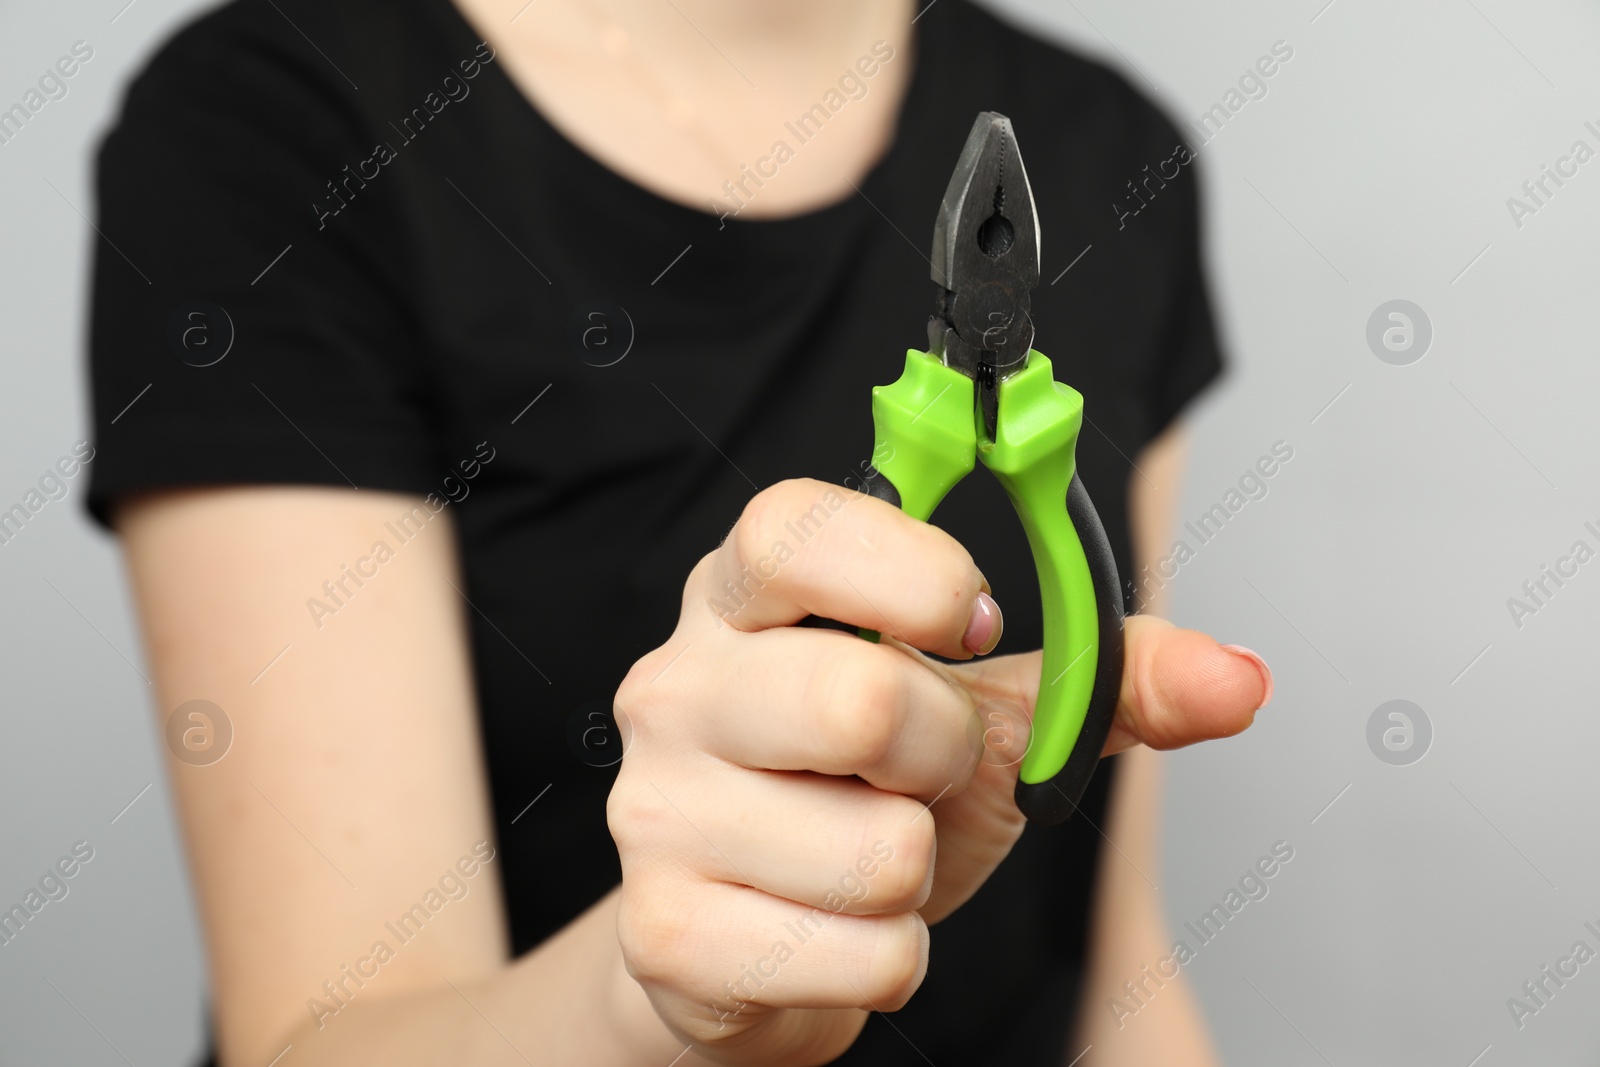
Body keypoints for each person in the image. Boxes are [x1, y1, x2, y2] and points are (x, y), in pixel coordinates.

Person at [85, 0, 1270, 1063]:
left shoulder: (1107, 146)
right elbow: (314, 1041)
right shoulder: (272, 128)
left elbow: (1107, 967)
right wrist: (658, 997)